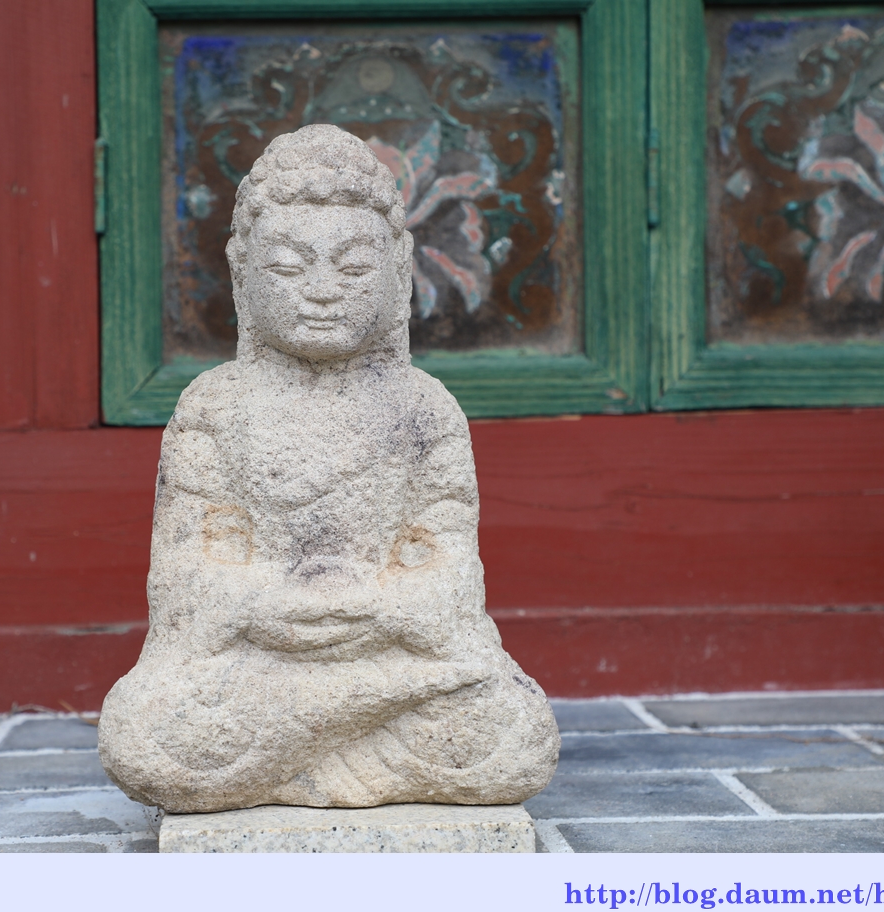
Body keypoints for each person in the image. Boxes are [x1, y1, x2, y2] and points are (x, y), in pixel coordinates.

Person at [98, 124, 559, 813]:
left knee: (510, 730)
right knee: (145, 731)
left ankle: (292, 761)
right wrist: (270, 604)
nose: (321, 292)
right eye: (288, 269)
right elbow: (186, 572)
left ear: (398, 272)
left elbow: (449, 567)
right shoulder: (213, 409)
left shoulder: (425, 409)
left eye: (353, 269)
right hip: (257, 662)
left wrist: (376, 604)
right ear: (242, 273)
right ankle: (346, 752)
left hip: (387, 650)